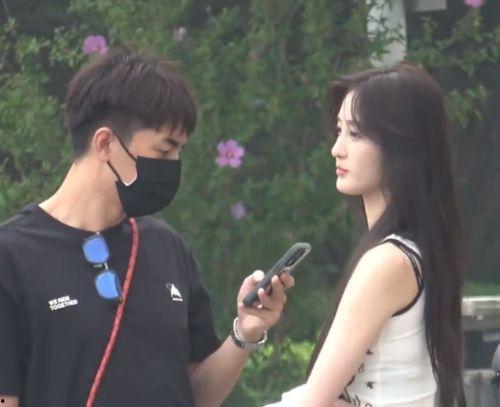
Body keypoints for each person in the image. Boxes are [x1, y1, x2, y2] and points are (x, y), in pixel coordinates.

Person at [0, 50, 294, 407]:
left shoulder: (166, 247)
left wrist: (245, 332)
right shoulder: (12, 257)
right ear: (105, 143)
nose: (174, 165)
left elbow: (195, 395)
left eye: (179, 151)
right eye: (164, 150)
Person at [264, 63, 464, 406]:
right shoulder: (422, 249)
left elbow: (315, 402)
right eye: (339, 130)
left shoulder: (388, 261)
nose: (337, 149)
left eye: (355, 134)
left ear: (402, 145)